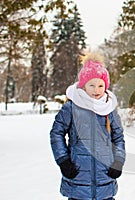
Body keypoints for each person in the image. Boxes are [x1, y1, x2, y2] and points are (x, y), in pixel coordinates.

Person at [50, 53, 126, 200]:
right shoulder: (72, 107)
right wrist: (63, 160)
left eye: (100, 85)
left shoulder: (109, 109)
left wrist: (118, 161)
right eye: (92, 85)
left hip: (105, 179)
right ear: (83, 85)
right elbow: (56, 133)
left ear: (105, 86)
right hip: (78, 178)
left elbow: (118, 137)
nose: (96, 90)